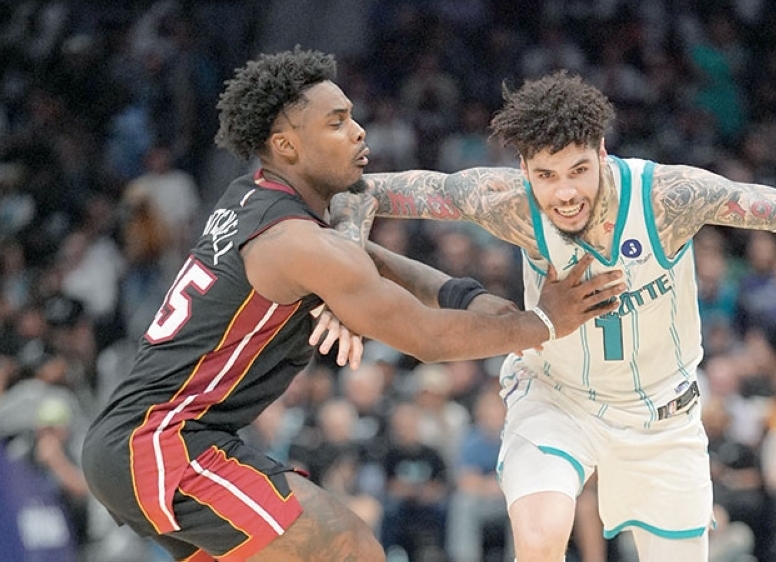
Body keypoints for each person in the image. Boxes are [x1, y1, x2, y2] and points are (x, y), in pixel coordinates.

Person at [326, 70, 776, 562]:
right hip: (559, 399)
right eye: (547, 176)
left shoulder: (666, 198)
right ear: (524, 170)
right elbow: (360, 191)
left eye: (579, 168)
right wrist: (346, 277)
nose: (566, 191)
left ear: (602, 151)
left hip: (665, 417)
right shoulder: (506, 202)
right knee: (542, 537)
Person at [80, 50, 623, 562]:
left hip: (153, 439)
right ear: (287, 146)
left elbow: (373, 261)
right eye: (336, 122)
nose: (358, 130)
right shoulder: (296, 242)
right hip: (163, 441)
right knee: (351, 547)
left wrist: (469, 297)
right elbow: (426, 339)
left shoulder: (255, 197)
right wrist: (544, 322)